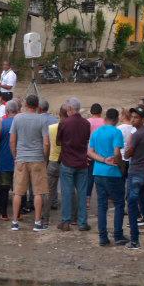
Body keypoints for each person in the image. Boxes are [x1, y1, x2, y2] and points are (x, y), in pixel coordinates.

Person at [8, 94, 51, 231]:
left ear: (26, 104)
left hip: (21, 158)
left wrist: (15, 155)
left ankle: (15, 221)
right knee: (38, 192)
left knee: (18, 192)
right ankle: (37, 222)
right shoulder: (42, 120)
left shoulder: (17, 118)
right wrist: (45, 157)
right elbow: (46, 142)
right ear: (37, 105)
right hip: (37, 158)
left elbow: (12, 140)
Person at [88, 106, 127, 247]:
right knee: (119, 203)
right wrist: (120, 165)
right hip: (112, 172)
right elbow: (117, 152)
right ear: (116, 119)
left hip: (98, 171)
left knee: (102, 205)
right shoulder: (116, 132)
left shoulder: (96, 133)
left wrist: (102, 160)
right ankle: (118, 234)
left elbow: (90, 152)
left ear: (105, 119)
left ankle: (103, 237)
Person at [123, 106, 144, 248]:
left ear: (143, 119)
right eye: (132, 117)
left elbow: (127, 154)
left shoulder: (137, 134)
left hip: (136, 171)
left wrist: (127, 150)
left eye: (136, 117)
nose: (133, 119)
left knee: (132, 206)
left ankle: (134, 240)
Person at [56, 97, 92, 232]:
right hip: (82, 161)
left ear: (70, 109)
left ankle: (66, 221)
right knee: (82, 193)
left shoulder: (64, 123)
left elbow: (58, 142)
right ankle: (82, 222)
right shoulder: (86, 123)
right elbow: (86, 139)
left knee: (67, 192)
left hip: (67, 161)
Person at [0, 106, 16, 220]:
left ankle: (3, 213)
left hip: (4, 159)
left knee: (4, 188)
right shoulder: (20, 123)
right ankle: (18, 213)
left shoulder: (2, 123)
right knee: (18, 188)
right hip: (18, 159)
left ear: (7, 112)